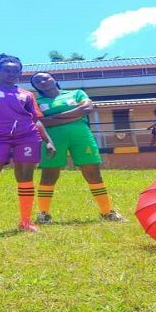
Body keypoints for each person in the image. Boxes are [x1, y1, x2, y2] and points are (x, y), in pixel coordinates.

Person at [0, 53, 56, 235]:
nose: (11, 74)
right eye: (7, 70)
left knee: (25, 178)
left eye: (15, 71)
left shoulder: (27, 95)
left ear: (20, 74)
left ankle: (26, 221)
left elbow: (36, 120)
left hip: (27, 137)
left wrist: (49, 141)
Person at [30, 72, 127, 223]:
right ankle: (43, 214)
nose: (42, 81)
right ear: (35, 86)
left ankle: (107, 212)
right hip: (51, 140)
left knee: (93, 174)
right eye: (37, 81)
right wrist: (73, 116)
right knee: (49, 175)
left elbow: (86, 108)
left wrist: (54, 117)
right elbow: (41, 122)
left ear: (54, 79)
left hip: (82, 137)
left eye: (45, 78)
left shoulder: (76, 93)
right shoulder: (35, 102)